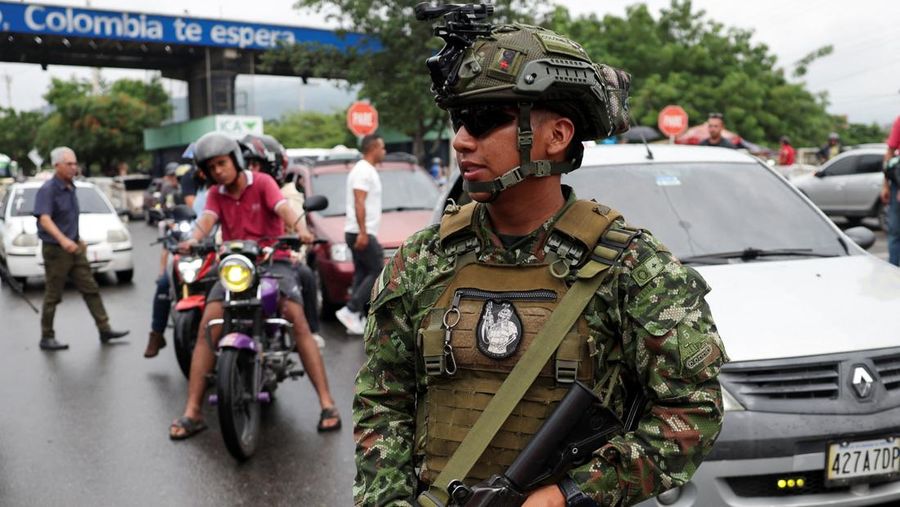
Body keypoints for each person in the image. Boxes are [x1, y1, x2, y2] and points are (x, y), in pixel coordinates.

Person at [353, 22, 727, 507]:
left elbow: (691, 413)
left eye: (485, 119)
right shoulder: (424, 259)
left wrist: (570, 493)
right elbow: (382, 400)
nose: (462, 141)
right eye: (459, 120)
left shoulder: (631, 268)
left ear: (556, 136)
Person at [168, 133, 340, 439]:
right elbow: (206, 220)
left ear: (235, 159)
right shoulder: (216, 194)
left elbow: (284, 208)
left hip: (273, 260)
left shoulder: (262, 182)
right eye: (212, 167)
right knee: (209, 324)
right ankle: (193, 412)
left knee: (296, 319)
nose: (219, 171)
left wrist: (300, 230)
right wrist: (192, 240)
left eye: (222, 163)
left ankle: (327, 404)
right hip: (236, 265)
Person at [33, 146, 129, 351]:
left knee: (90, 288)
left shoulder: (71, 187)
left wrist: (76, 239)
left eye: (75, 163)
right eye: (69, 164)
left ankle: (104, 328)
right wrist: (63, 240)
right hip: (56, 250)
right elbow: (45, 219)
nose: (73, 167)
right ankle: (46, 336)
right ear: (57, 165)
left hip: (75, 247)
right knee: (53, 294)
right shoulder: (49, 189)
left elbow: (68, 218)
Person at [242, 134, 326, 349]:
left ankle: (311, 331)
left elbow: (297, 224)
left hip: (277, 256)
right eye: (246, 164)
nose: (249, 170)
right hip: (243, 260)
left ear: (273, 165)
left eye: (254, 164)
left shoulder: (286, 194)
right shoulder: (234, 192)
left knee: (305, 276)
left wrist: (297, 246)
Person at [335, 133, 385, 335]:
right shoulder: (363, 171)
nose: (384, 151)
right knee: (377, 271)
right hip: (360, 232)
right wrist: (363, 232)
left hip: (359, 231)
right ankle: (351, 309)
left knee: (363, 273)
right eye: (382, 147)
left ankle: (354, 317)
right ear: (373, 148)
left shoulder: (367, 170)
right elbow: (359, 202)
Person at [882, 117, 900, 266]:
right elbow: (889, 153)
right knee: (895, 232)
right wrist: (885, 185)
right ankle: (893, 272)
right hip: (896, 183)